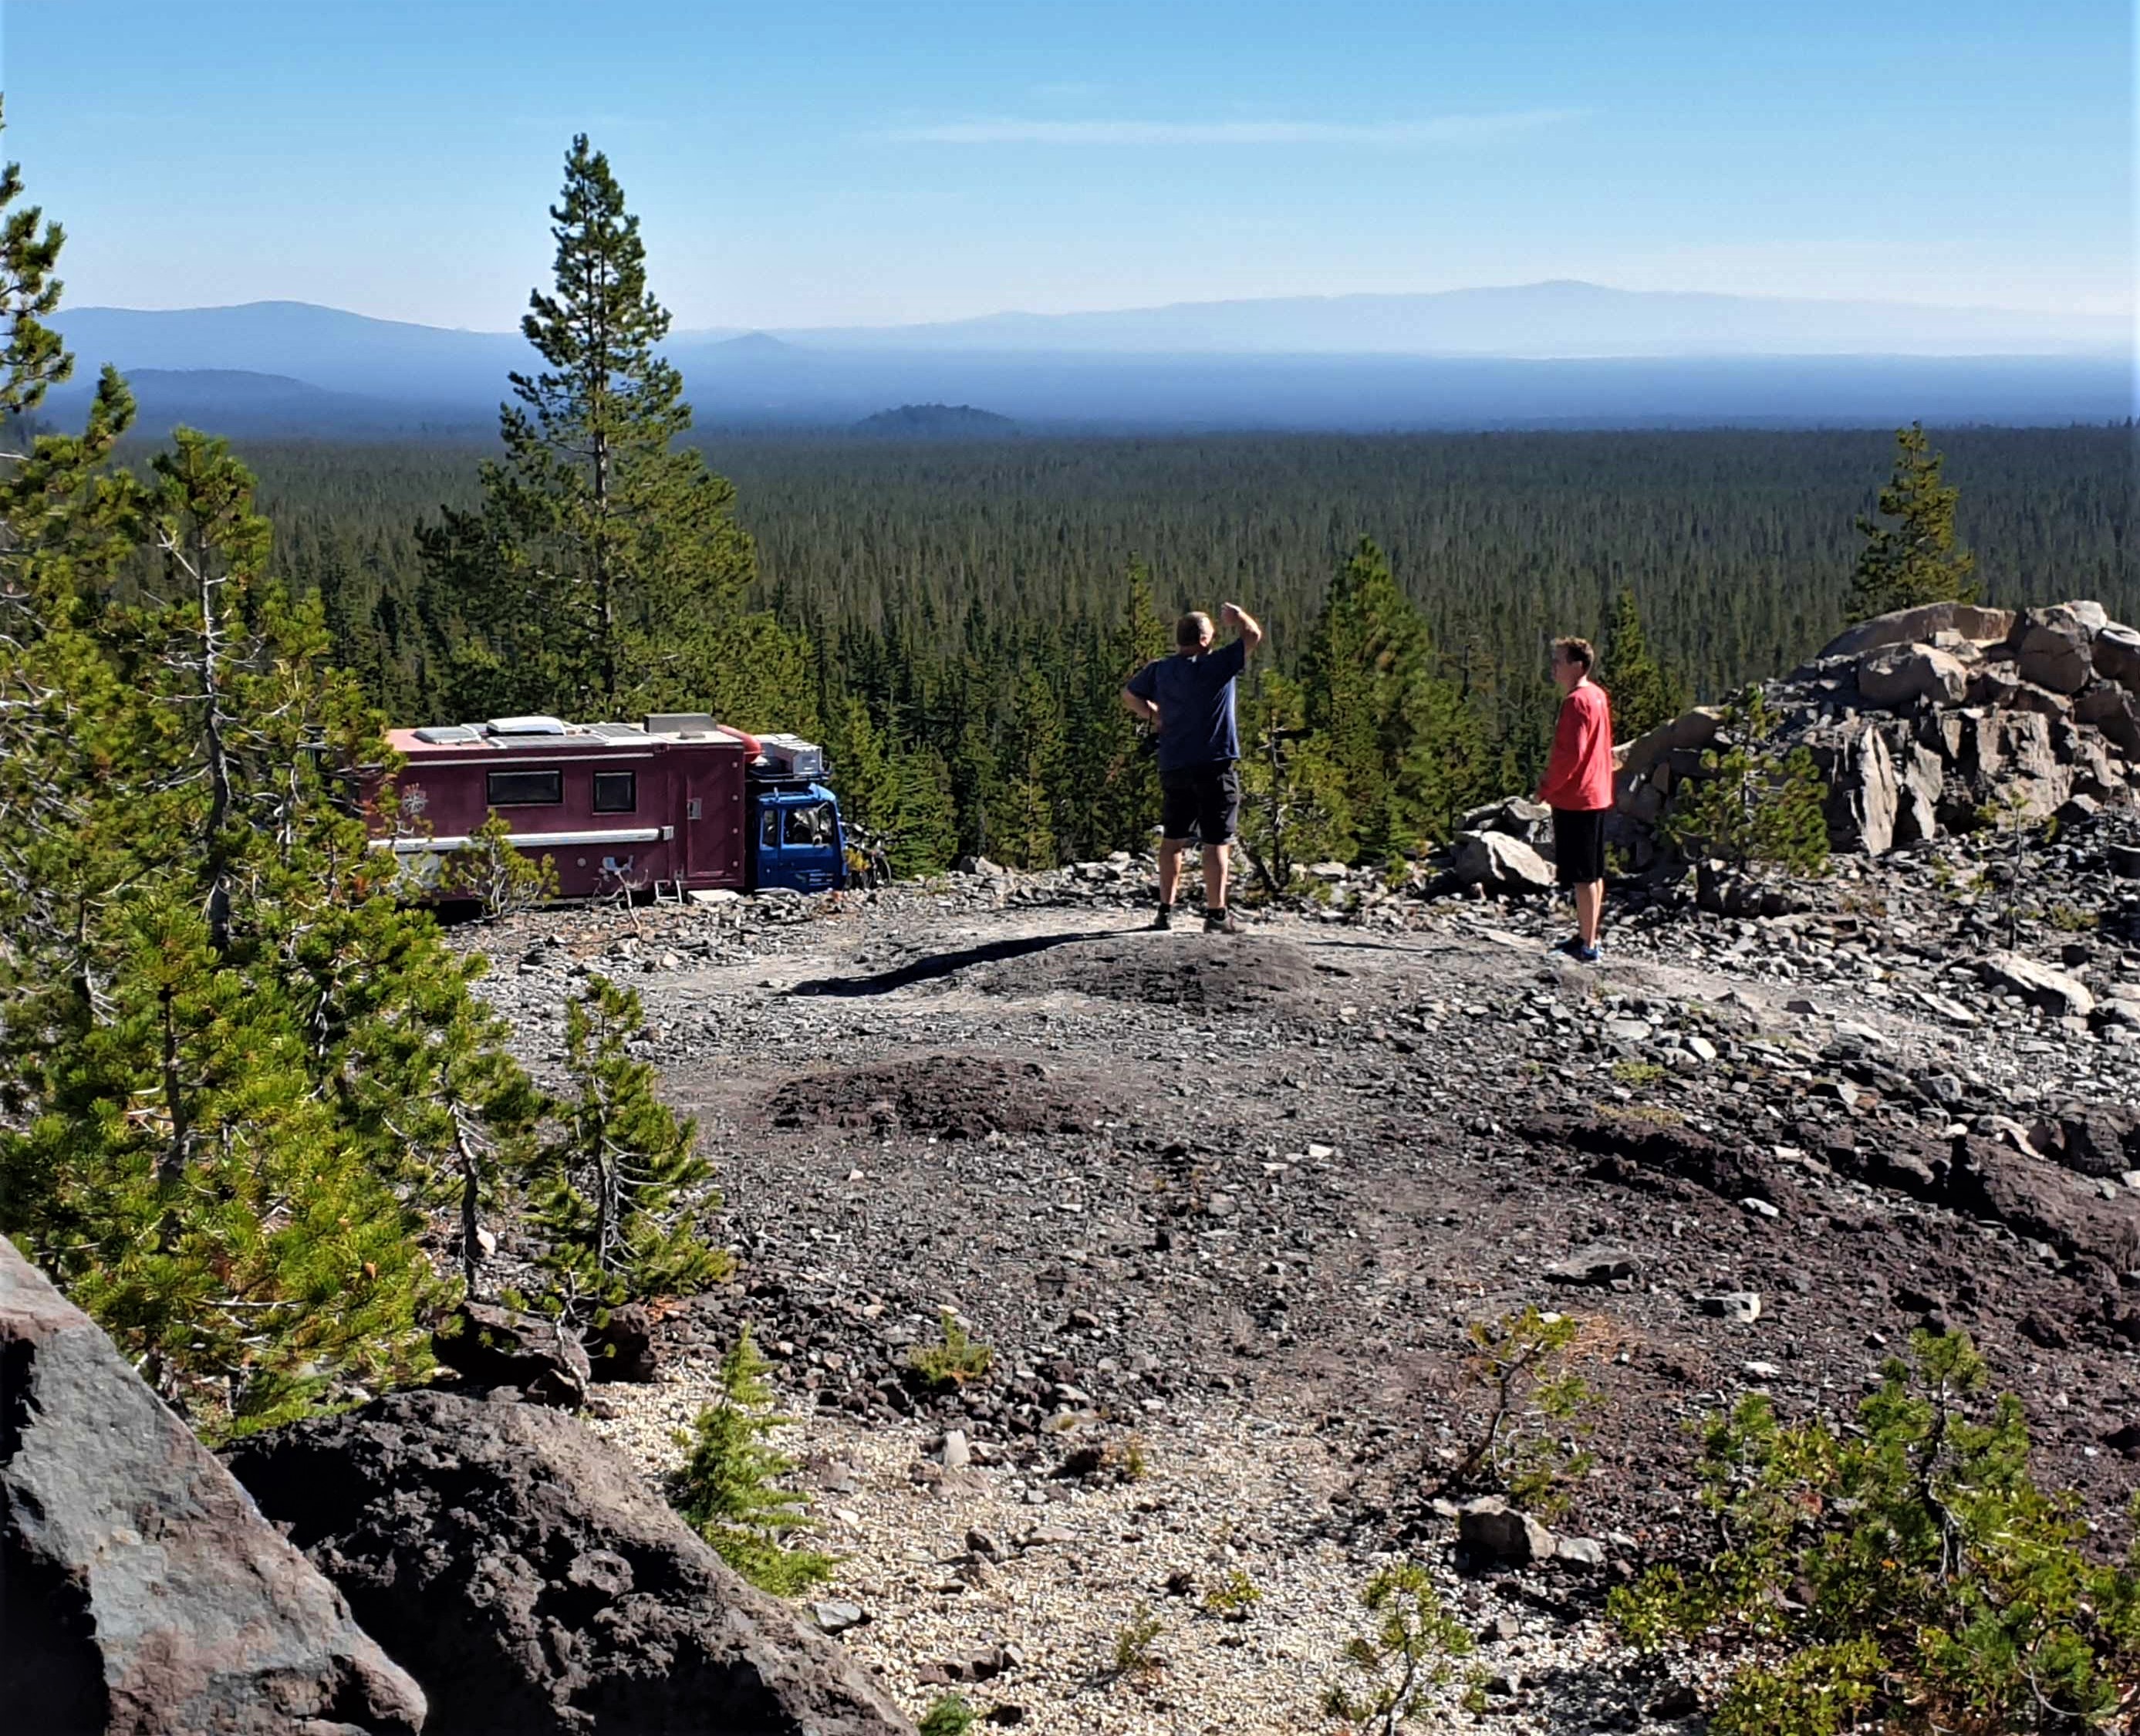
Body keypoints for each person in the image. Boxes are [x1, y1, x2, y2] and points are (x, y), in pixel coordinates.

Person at [1122, 602, 1264, 933]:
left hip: (1174, 765)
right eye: (1211, 634)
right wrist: (1238, 616)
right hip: (1214, 765)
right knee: (1216, 842)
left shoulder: (1160, 670)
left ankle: (1164, 912)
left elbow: (1129, 694)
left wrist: (1155, 715)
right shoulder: (1217, 665)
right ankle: (1216, 915)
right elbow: (1253, 635)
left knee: (1173, 838)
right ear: (1203, 639)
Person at [1534, 635, 1625, 964]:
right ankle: (1589, 936)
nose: (1553, 667)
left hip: (1577, 797)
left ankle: (1588, 946)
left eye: (1558, 661)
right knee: (1594, 872)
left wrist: (1545, 788)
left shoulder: (1576, 702)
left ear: (1577, 665)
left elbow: (1569, 756)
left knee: (1582, 875)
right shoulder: (1597, 695)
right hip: (1597, 793)